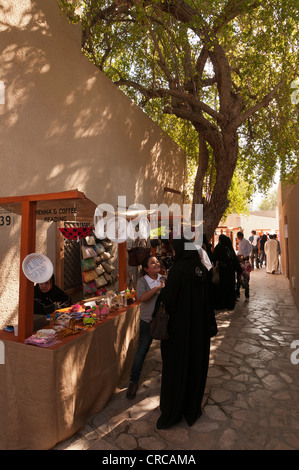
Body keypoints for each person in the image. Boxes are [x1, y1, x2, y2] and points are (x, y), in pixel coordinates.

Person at [156, 238, 211, 429]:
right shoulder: (201, 269)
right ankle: (191, 408)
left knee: (177, 368)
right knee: (195, 367)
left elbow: (169, 300)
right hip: (199, 330)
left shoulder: (178, 270)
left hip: (179, 331)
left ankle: (174, 411)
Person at [126, 255, 164, 399]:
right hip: (147, 321)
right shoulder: (142, 281)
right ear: (146, 268)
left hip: (163, 322)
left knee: (167, 351)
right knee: (141, 351)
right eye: (152, 262)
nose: (156, 263)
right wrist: (157, 288)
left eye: (157, 261)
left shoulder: (163, 278)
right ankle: (133, 382)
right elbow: (141, 297)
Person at [212, 234, 242, 310]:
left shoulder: (219, 248)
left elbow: (214, 258)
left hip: (222, 272)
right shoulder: (229, 248)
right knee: (230, 287)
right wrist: (239, 270)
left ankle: (222, 304)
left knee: (222, 288)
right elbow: (234, 260)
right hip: (230, 272)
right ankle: (229, 304)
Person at [236, 231, 252, 302]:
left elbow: (249, 248)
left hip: (244, 257)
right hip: (240, 257)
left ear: (240, 236)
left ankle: (246, 294)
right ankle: (238, 295)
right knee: (240, 274)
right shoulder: (240, 242)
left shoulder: (246, 241)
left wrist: (245, 256)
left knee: (244, 273)